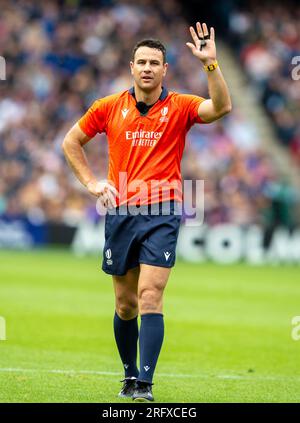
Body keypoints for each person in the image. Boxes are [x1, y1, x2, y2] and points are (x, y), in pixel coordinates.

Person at [62, 22, 231, 402]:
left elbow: (221, 107)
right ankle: (128, 375)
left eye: (155, 62)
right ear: (131, 67)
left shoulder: (182, 106)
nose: (148, 68)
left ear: (165, 69)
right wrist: (91, 184)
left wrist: (211, 65)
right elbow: (71, 142)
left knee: (151, 295)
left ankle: (145, 385)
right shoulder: (107, 107)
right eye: (141, 62)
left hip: (163, 211)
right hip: (120, 212)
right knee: (125, 304)